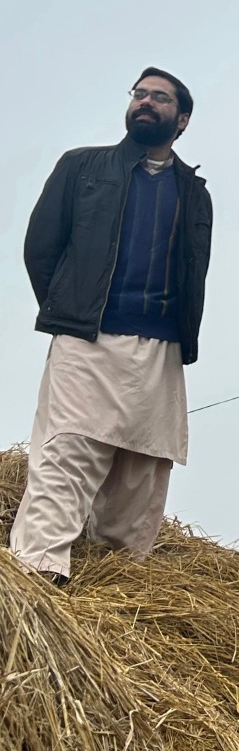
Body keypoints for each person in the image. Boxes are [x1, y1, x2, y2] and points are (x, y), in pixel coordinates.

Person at [10, 68, 212, 586]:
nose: (145, 102)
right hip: (87, 338)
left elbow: (193, 270)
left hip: (161, 346)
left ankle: (118, 583)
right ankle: (40, 575)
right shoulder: (82, 168)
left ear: (181, 119)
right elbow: (41, 250)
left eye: (159, 98)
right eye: (139, 94)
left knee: (142, 473)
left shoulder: (195, 194)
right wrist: (73, 311)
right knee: (67, 452)